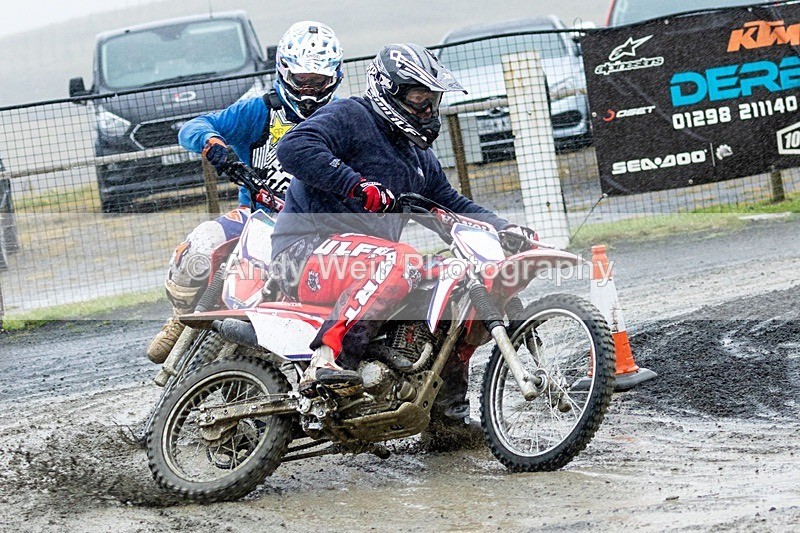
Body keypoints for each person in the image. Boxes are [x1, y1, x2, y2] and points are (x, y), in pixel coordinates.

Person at [271, 43, 536, 410]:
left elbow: (451, 204)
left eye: (432, 101)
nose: (428, 110)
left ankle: (447, 414)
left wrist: (504, 228)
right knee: (401, 260)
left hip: (363, 263)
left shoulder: (418, 158)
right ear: (389, 91)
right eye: (418, 99)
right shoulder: (352, 116)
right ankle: (327, 362)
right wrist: (357, 186)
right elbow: (293, 147)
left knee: (458, 279)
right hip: (303, 251)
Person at [146, 21, 344, 363]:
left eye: (319, 82)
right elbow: (194, 126)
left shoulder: (345, 116)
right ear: (285, 72)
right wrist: (214, 145)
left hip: (317, 229)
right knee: (203, 242)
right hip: (257, 217)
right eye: (302, 80)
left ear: (334, 78)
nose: (310, 91)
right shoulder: (259, 110)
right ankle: (180, 315)